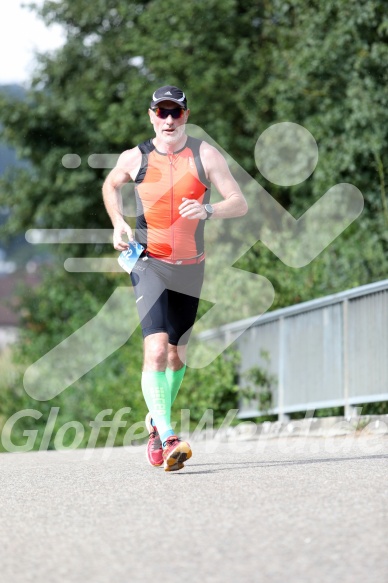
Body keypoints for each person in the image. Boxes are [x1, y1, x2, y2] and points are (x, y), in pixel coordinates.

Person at [102, 85, 247, 472]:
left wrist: (209, 209)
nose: (169, 120)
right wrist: (118, 223)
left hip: (191, 266)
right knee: (155, 348)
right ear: (151, 114)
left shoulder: (205, 154)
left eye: (176, 113)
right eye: (161, 112)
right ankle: (167, 435)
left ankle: (154, 422)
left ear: (185, 115)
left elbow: (240, 201)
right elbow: (110, 185)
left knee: (177, 354)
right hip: (150, 262)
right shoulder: (135, 157)